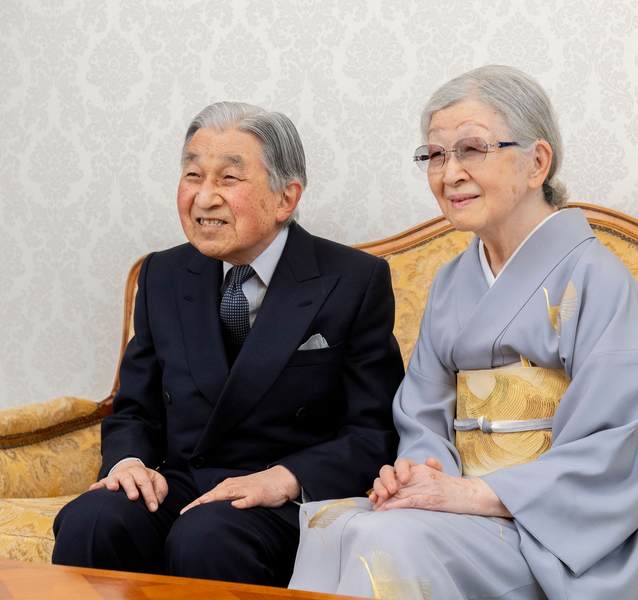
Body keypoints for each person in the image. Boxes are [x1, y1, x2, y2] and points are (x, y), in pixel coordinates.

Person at [289, 66, 638, 599]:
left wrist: (470, 495)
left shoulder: (598, 278)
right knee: (333, 526)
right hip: (466, 509)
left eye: (471, 149)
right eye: (435, 154)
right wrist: (421, 477)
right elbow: (422, 415)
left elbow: (615, 443)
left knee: (387, 540)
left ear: (536, 162)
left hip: (561, 527)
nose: (449, 173)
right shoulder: (451, 283)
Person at [51, 102, 405, 587]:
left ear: (286, 198)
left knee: (207, 537)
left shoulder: (353, 280)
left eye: (228, 179)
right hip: (184, 482)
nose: (204, 197)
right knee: (92, 519)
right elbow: (135, 409)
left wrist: (287, 478)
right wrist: (129, 463)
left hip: (282, 496)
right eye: (193, 175)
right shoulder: (163, 274)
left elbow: (373, 431)